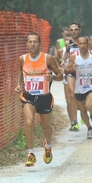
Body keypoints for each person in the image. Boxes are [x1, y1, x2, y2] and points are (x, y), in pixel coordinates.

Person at [14, 32, 63, 167]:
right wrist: (19, 84)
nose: (32, 44)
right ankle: (31, 154)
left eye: (35, 41)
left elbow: (60, 76)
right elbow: (20, 71)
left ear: (40, 44)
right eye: (30, 42)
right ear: (26, 44)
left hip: (44, 97)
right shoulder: (22, 59)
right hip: (28, 96)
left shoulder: (48, 59)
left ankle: (47, 146)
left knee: (46, 127)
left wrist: (52, 77)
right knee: (29, 122)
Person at [64, 36, 92, 139]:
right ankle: (89, 128)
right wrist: (71, 68)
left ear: (87, 44)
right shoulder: (74, 56)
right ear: (78, 45)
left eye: (84, 43)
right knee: (83, 111)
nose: (82, 46)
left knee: (89, 106)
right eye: (80, 44)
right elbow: (66, 70)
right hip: (79, 87)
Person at [63, 22, 82, 131]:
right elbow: (66, 54)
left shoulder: (84, 42)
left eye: (75, 29)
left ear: (80, 30)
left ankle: (84, 112)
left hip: (82, 72)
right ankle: (74, 122)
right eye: (71, 29)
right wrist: (63, 61)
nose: (73, 31)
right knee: (70, 96)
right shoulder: (68, 43)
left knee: (80, 98)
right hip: (70, 70)